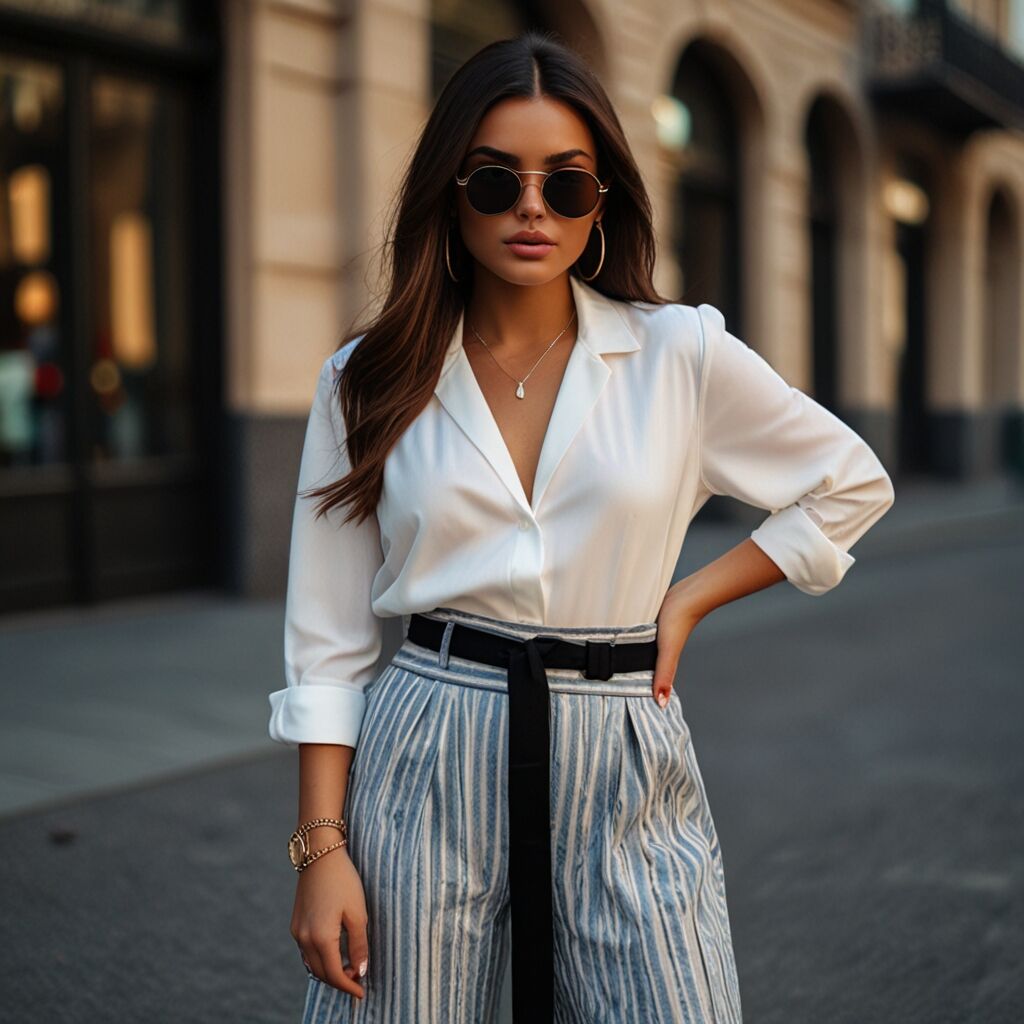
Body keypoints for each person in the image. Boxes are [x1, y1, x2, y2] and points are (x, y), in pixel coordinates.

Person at [266, 29, 895, 1024]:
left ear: (602, 203)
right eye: (494, 181)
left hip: (622, 748)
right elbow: (328, 640)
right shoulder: (365, 379)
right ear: (448, 191)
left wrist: (690, 595)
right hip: (429, 740)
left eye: (566, 185)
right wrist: (321, 847)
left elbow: (848, 481)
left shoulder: (677, 355)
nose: (530, 207)